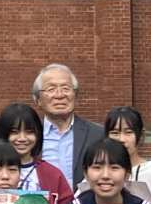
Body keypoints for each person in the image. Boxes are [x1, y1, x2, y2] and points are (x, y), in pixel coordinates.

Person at [31, 63, 104, 193]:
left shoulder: (98, 134)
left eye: (66, 88)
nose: (59, 95)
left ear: (76, 96)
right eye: (51, 89)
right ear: (38, 100)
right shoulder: (28, 136)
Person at [0, 103, 75, 204]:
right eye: (14, 132)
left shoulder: (52, 174)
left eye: (29, 132)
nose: (22, 138)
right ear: (3, 134)